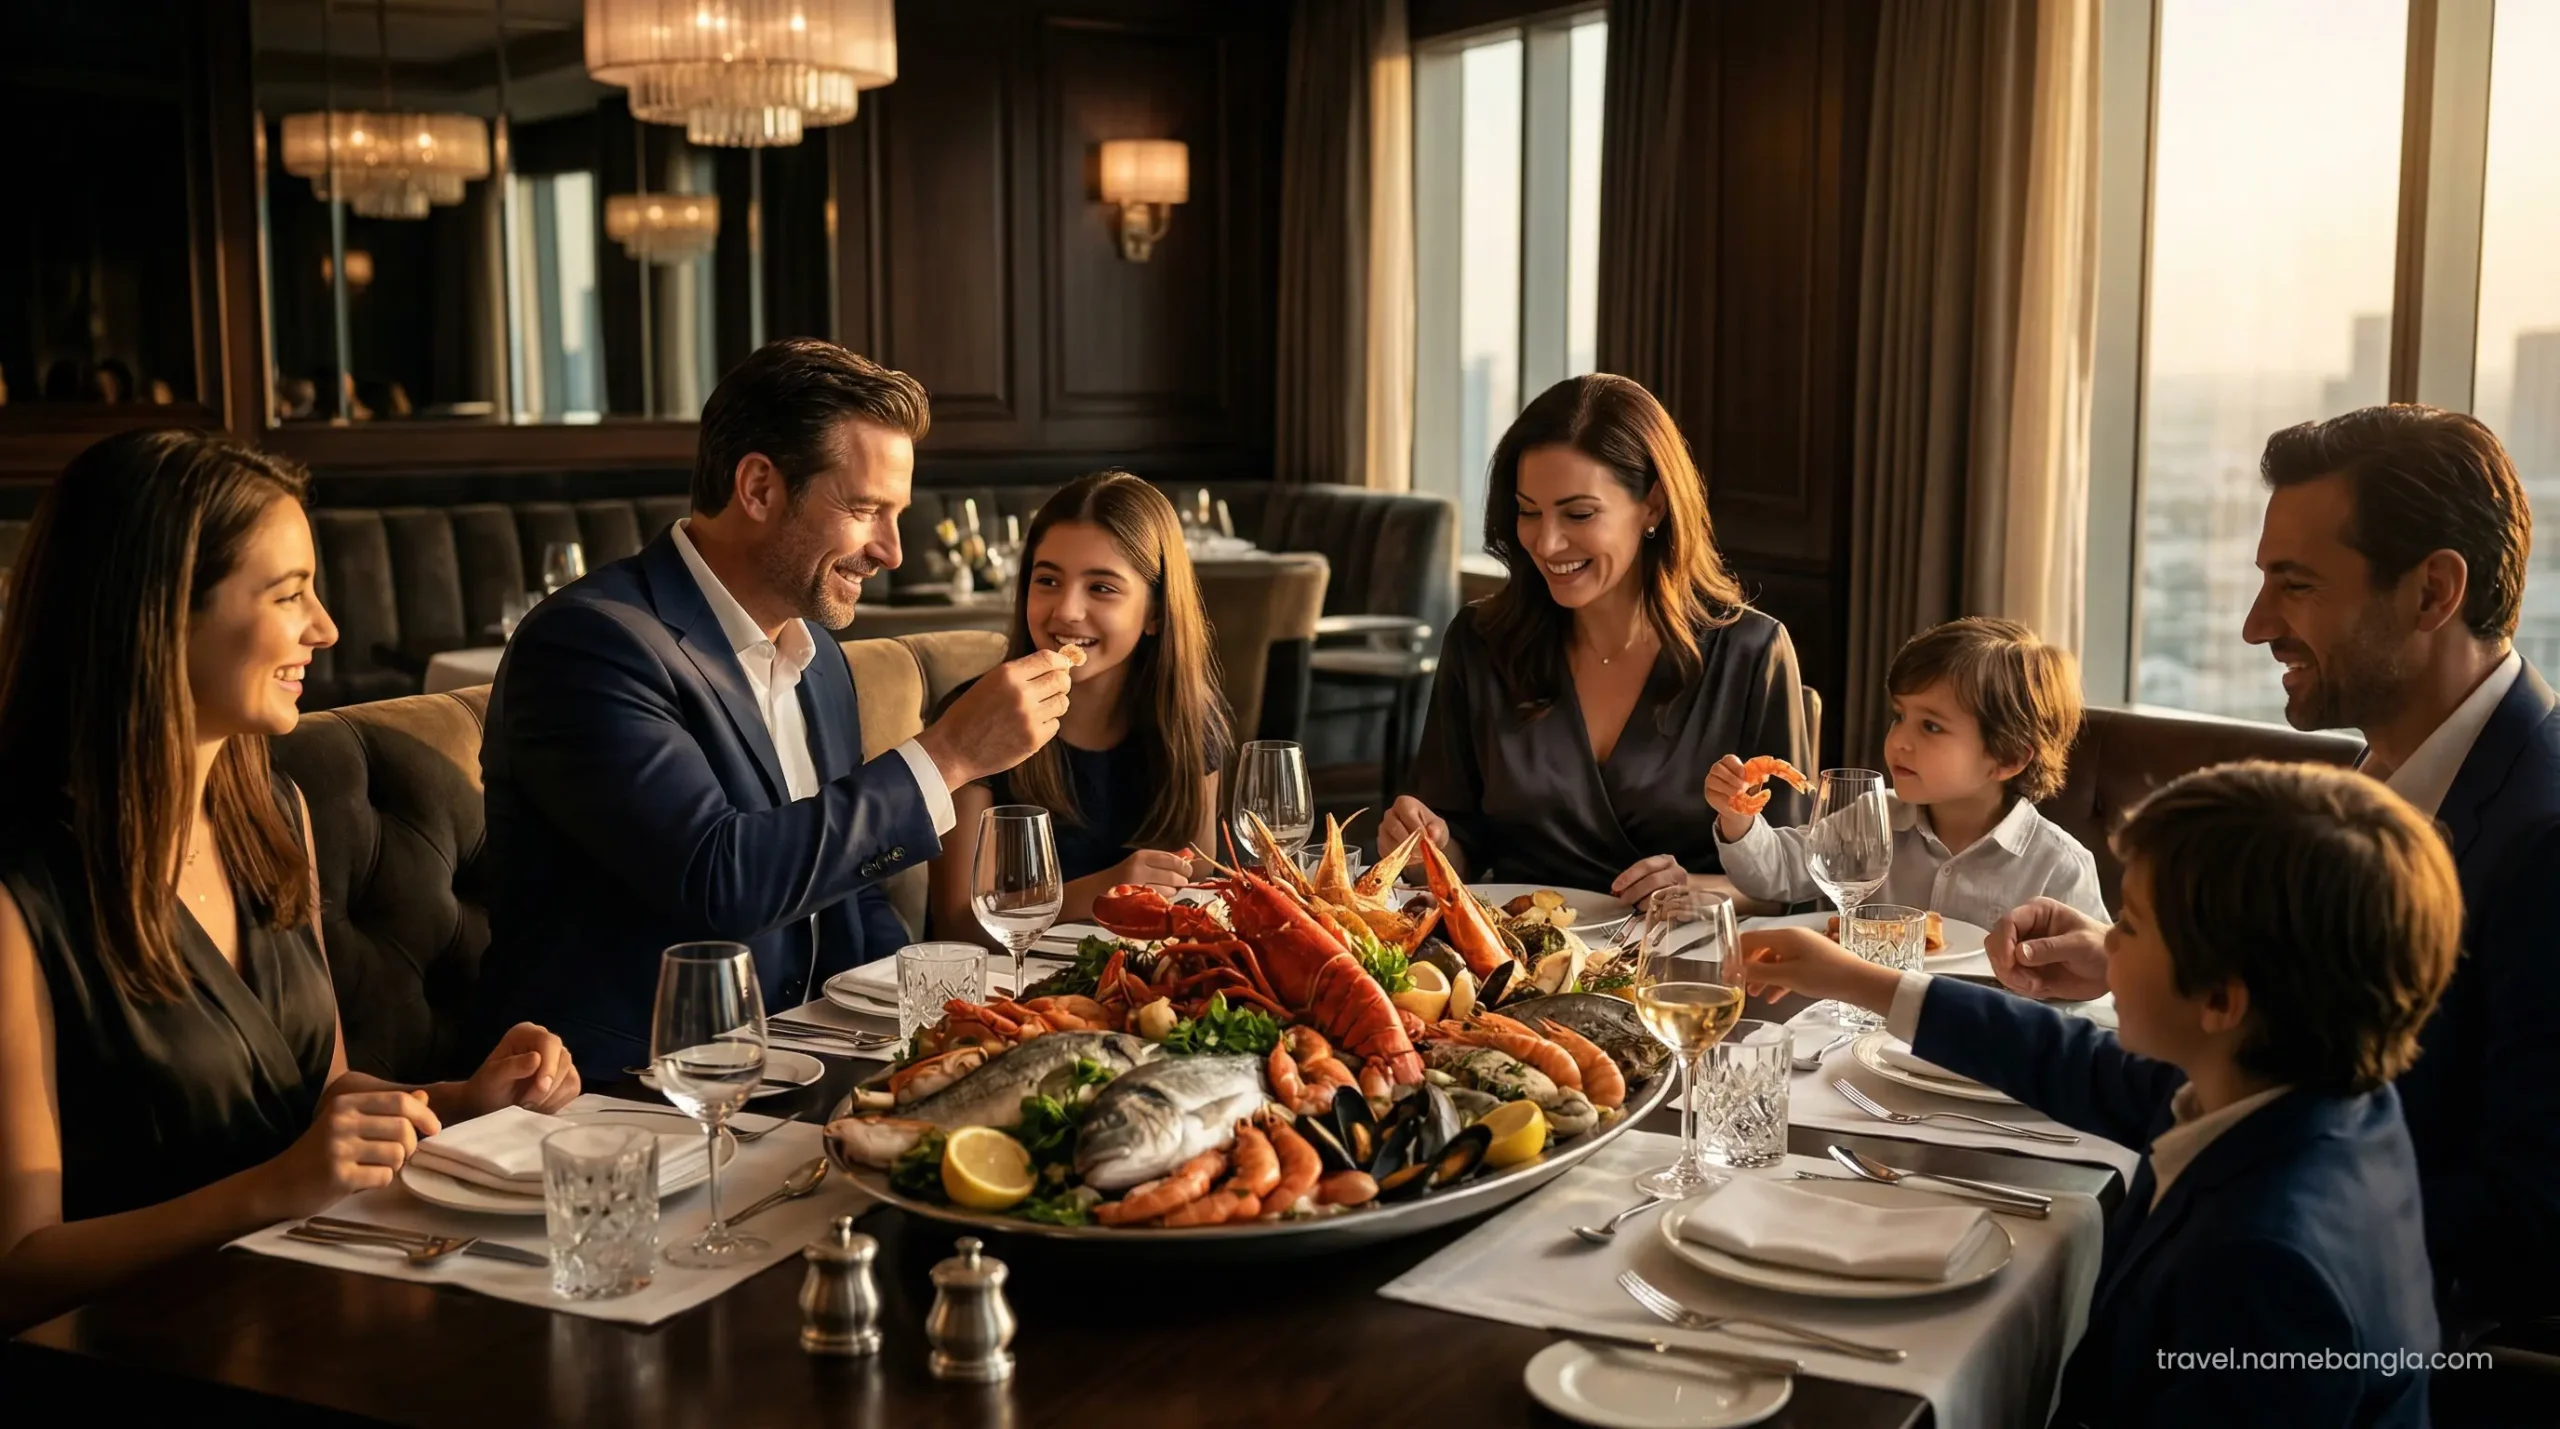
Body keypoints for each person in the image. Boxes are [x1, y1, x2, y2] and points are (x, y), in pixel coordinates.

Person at [1985, 405, 2560, 1335]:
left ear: (2433, 591)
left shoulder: (2545, 836)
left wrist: (2244, 1177)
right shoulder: (2374, 777)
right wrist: (2158, 955)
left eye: (2293, 586)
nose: (2257, 626)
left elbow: (2530, 1229)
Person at [0, 432, 579, 1333]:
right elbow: (17, 1269)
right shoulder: (18, 888)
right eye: (288, 593)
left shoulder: (269, 811)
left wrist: (464, 1098)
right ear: (159, 614)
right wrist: (276, 1187)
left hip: (297, 1306)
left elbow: (319, 1096)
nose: (326, 626)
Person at [1746, 762, 2452, 1426]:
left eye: (2132, 926)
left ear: (2221, 999)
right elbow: (2071, 1058)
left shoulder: (2266, 1273)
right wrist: (1858, 978)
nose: (2106, 945)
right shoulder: (2313, 1090)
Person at [475, 339, 1074, 1072]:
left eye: (897, 515)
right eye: (865, 509)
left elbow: (848, 896)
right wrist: (948, 753)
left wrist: (946, 1024)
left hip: (801, 1067)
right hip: (625, 1096)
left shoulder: (817, 657)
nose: (891, 551)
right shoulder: (588, 644)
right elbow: (718, 878)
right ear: (758, 488)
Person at [1385, 374, 1810, 903]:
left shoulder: (1751, 653)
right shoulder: (1480, 641)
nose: (1546, 541)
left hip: (1683, 971)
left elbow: (1792, 882)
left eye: (1579, 513)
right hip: (1516, 966)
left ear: (1652, 505)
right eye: (1528, 511)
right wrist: (1428, 848)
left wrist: (1695, 891)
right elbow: (1456, 848)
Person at [928, 472, 1229, 937]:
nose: (1066, 610)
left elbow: (1198, 886)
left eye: (1101, 588)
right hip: (1008, 992)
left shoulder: (1193, 719)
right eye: (1047, 579)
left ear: (1154, 612)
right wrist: (1104, 890)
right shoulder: (974, 718)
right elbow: (956, 922)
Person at [1708, 616, 2105, 927]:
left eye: (1931, 726)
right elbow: (1776, 874)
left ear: (2008, 759)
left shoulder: (2059, 867)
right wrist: (1737, 815)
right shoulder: (1872, 816)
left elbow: (2089, 990)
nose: (1898, 740)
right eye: (1900, 716)